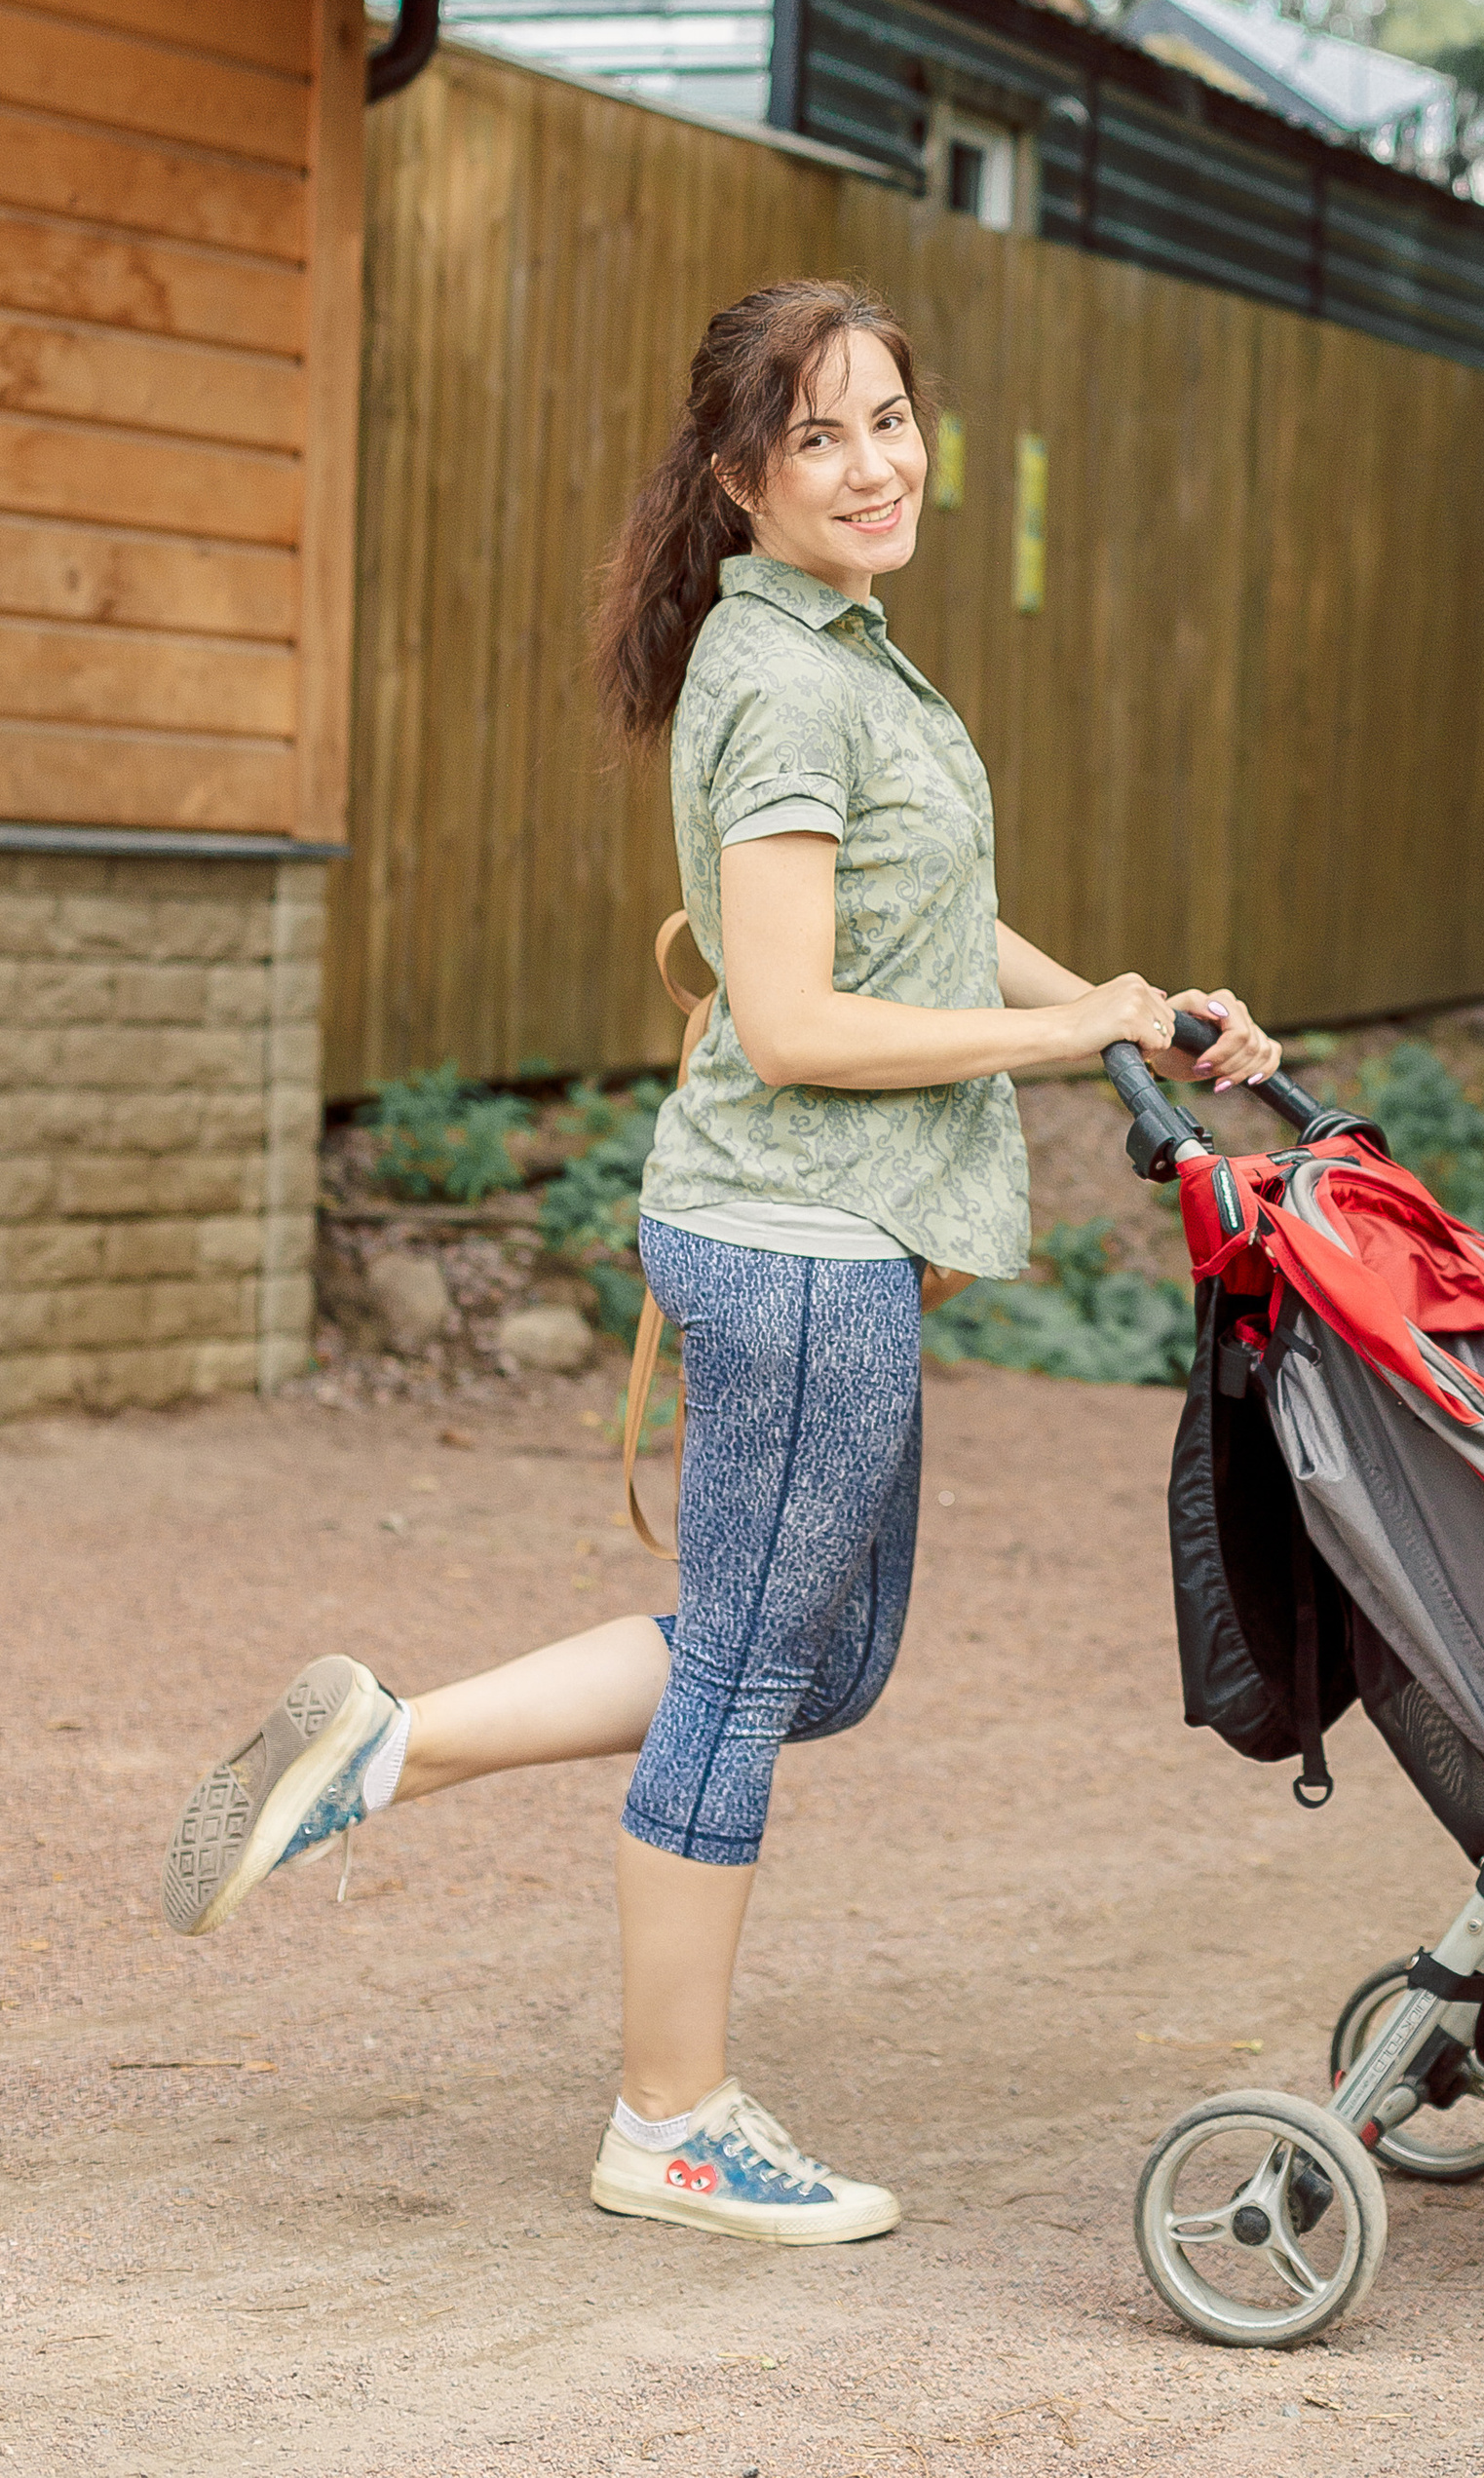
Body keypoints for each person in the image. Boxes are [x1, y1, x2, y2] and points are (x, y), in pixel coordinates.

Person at [161, 275, 1280, 2245]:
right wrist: (1052, 1046)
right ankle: (668, 2118)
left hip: (826, 1240)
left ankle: (379, 1748)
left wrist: (1117, 1005)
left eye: (888, 420)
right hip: (791, 1243)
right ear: (743, 476)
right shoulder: (781, 678)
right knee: (756, 1670)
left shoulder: (843, 651)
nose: (871, 463)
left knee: (814, 1662)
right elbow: (797, 1021)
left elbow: (917, 930)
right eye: (820, 436)